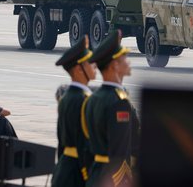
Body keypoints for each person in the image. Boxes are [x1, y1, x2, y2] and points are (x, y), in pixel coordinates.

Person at [83, 30, 139, 187]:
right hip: (113, 179)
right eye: (124, 59)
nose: (128, 63)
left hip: (95, 175)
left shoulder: (92, 99)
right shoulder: (119, 103)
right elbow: (119, 151)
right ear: (114, 65)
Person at [52, 36, 96, 187]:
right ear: (78, 69)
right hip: (78, 173)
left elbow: (61, 140)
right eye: (90, 63)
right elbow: (87, 145)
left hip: (63, 170)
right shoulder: (86, 100)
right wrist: (89, 175)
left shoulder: (65, 99)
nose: (94, 66)